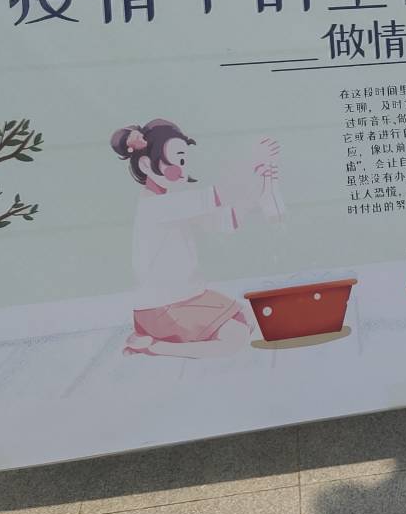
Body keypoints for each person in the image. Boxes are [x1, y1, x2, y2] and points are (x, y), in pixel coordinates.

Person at [111, 118, 281, 359]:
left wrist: (258, 190)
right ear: (147, 164)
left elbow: (226, 221)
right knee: (236, 338)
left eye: (184, 161)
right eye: (178, 160)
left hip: (189, 296)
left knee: (252, 318)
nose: (183, 169)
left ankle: (153, 340)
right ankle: (154, 346)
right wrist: (251, 163)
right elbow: (219, 195)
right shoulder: (156, 206)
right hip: (164, 306)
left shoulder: (173, 202)